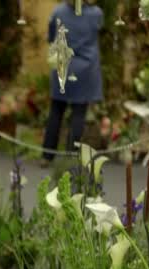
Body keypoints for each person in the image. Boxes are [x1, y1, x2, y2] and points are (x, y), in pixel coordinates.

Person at [41, 0, 103, 167]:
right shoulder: (96, 13)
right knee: (78, 115)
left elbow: (50, 36)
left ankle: (47, 156)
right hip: (85, 69)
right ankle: (70, 157)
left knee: (56, 111)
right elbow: (98, 29)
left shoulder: (58, 12)